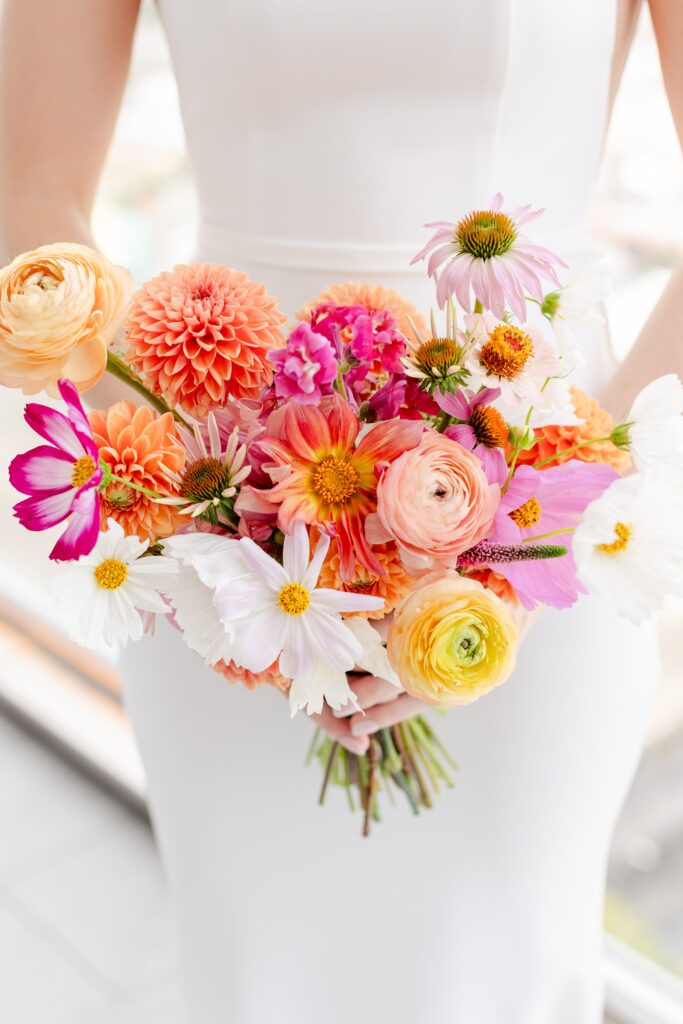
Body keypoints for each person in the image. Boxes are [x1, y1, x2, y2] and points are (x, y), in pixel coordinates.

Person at [1, 2, 681, 1022]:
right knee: (260, 973)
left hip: (553, 511)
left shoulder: (551, 521)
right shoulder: (208, 520)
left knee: (503, 962)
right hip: (216, 541)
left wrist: (534, 527)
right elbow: (26, 184)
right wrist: (197, 498)